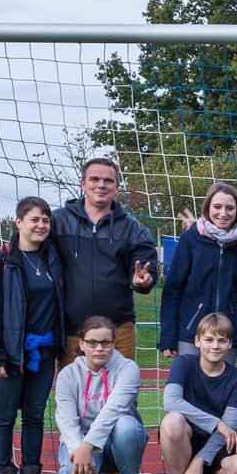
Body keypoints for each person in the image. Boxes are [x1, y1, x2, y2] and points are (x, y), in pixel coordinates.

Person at [0, 196, 65, 474]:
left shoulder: (53, 258)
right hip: (11, 353)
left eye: (46, 220)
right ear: (19, 222)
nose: (41, 225)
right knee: (4, 417)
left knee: (35, 416)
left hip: (45, 351)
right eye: (34, 219)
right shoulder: (0, 260)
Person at [51, 157, 157, 366]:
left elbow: (147, 267)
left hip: (118, 329)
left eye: (108, 181)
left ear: (117, 187)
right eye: (94, 179)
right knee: (74, 395)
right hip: (73, 330)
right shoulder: (57, 222)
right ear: (83, 184)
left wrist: (143, 280)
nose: (101, 185)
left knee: (122, 395)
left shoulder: (133, 228)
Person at [159, 313, 237, 474]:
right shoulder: (183, 363)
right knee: (171, 422)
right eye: (209, 339)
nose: (215, 346)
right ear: (197, 341)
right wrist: (217, 423)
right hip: (188, 437)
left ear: (230, 344)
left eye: (222, 340)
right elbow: (171, 401)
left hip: (219, 441)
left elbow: (229, 427)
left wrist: (199, 461)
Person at [159, 182, 237, 365]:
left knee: (222, 390)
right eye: (217, 207)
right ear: (207, 207)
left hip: (227, 332)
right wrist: (168, 336)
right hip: (191, 331)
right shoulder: (191, 239)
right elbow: (173, 290)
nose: (223, 213)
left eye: (230, 208)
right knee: (189, 390)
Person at [54, 316, 148, 474]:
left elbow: (113, 411)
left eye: (106, 342)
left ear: (114, 343)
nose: (99, 348)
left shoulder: (128, 368)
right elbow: (66, 419)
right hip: (82, 442)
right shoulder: (67, 374)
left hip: (116, 440)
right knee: (69, 469)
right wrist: (79, 449)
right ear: (81, 344)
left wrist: (87, 446)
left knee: (127, 425)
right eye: (92, 342)